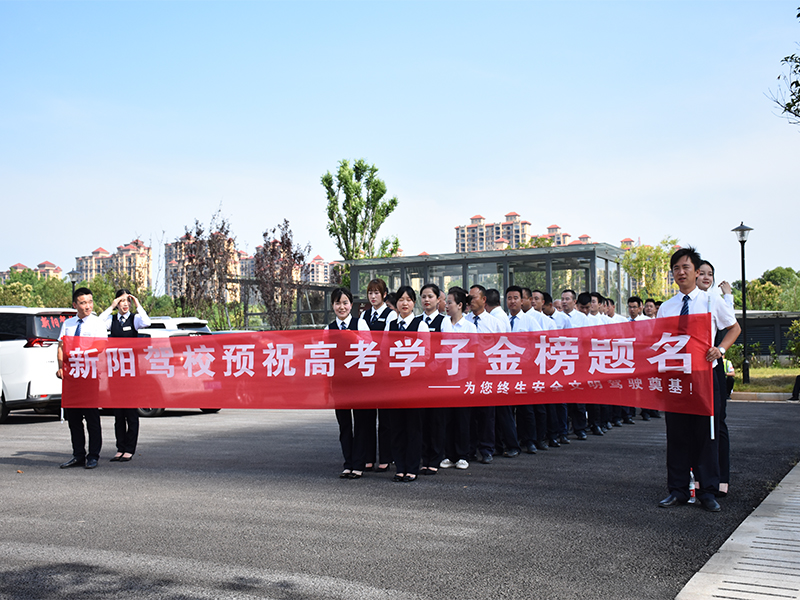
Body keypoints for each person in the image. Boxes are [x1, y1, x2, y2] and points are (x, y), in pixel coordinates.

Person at [657, 247, 740, 513]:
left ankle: (707, 491)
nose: (681, 272)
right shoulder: (667, 307)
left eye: (686, 267)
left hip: (704, 377)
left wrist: (721, 349)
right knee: (677, 433)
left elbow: (734, 328)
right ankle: (678, 490)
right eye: (676, 269)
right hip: (675, 378)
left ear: (696, 271)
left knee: (707, 433)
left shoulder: (710, 301)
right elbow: (658, 341)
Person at [56, 287, 108, 469]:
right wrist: (60, 367)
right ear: (75, 305)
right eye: (83, 303)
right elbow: (61, 347)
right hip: (72, 378)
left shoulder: (97, 323)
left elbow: (101, 346)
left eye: (90, 302)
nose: (88, 306)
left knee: (92, 418)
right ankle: (78, 454)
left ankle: (93, 456)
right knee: (74, 419)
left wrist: (82, 353)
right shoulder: (68, 324)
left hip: (89, 376)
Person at [696, 259, 735, 496]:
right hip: (691, 369)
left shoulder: (714, 299)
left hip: (714, 365)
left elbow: (731, 325)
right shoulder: (686, 302)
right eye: (701, 273)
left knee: (717, 421)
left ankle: (721, 478)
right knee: (696, 424)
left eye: (710, 274)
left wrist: (728, 295)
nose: (706, 277)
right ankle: (698, 478)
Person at [99, 289, 151, 462]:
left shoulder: (134, 319)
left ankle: (130, 449)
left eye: (127, 300)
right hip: (115, 373)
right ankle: (120, 448)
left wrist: (138, 304)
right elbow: (98, 323)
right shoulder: (112, 320)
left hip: (131, 374)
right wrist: (111, 307)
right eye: (121, 301)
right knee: (118, 414)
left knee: (131, 413)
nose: (125, 304)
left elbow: (147, 322)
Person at [385, 286, 429, 482]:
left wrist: (409, 367)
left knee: (414, 426)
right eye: (401, 299)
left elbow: (426, 353)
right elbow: (384, 352)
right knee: (396, 427)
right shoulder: (391, 325)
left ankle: (412, 467)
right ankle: (400, 467)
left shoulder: (421, 325)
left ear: (414, 303)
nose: (404, 303)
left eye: (408, 300)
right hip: (394, 384)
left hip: (414, 384)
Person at [327, 287, 371, 479]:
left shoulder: (360, 324)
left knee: (361, 424)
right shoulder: (328, 329)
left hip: (359, 383)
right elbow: (325, 357)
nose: (342, 307)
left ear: (351, 305)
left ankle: (358, 464)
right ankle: (348, 463)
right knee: (344, 424)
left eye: (345, 303)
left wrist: (352, 336)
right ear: (333, 306)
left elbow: (370, 349)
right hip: (339, 384)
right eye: (338, 303)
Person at [361, 278, 397, 472]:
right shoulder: (364, 315)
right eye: (370, 293)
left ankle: (385, 457)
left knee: (385, 418)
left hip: (383, 371)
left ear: (384, 295)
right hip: (367, 371)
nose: (373, 296)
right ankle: (368, 457)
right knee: (367, 416)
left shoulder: (391, 315)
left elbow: (387, 343)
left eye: (376, 293)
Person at [439, 287, 476, 470]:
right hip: (445, 379)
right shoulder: (443, 324)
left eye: (450, 302)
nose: (446, 306)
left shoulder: (470, 327)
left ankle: (462, 455)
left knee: (462, 418)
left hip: (463, 379)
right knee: (447, 418)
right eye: (446, 302)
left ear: (460, 305)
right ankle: (449, 454)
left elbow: (475, 354)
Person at [419, 283, 446, 475]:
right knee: (421, 419)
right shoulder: (416, 322)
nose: (426, 300)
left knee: (436, 419)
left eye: (430, 296)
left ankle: (435, 458)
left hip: (437, 378)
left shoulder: (444, 322)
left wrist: (431, 367)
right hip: (419, 379)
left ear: (438, 300)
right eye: (423, 296)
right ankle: (424, 457)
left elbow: (447, 348)